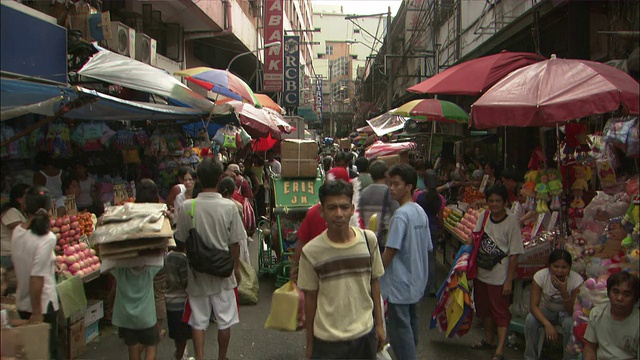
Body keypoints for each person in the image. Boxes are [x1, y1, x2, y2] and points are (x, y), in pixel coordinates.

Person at [297, 180, 385, 359]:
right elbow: (310, 300)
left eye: (344, 207)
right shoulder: (311, 252)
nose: (339, 214)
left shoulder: (369, 242)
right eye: (332, 208)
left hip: (364, 336)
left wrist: (380, 325)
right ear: (322, 211)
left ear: (352, 209)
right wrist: (310, 344)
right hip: (328, 341)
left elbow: (374, 285)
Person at [174, 158, 243, 360]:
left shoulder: (188, 207)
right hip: (223, 272)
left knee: (198, 321)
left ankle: (201, 357)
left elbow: (180, 240)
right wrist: (236, 269)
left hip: (197, 273)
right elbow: (236, 243)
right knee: (225, 320)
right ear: (220, 178)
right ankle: (222, 357)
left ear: (198, 179)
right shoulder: (230, 207)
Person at [380, 164, 432, 360]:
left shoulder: (400, 215)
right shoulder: (419, 211)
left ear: (409, 186)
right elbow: (427, 246)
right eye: (390, 184)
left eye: (396, 184)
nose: (391, 188)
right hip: (416, 279)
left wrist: (375, 272)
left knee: (400, 329)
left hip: (399, 282)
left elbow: (391, 250)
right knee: (411, 322)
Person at [471, 184, 524, 360]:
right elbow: (474, 239)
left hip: (499, 275)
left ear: (505, 202)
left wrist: (509, 280)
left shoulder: (511, 222)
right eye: (491, 201)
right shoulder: (484, 217)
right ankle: (489, 338)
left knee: (500, 311)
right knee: (483, 309)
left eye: (498, 201)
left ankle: (500, 350)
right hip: (481, 273)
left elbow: (515, 254)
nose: (494, 204)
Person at [11, 186, 61, 359]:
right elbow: (36, 278)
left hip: (22, 302)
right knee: (46, 352)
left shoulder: (17, 232)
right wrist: (37, 312)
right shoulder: (47, 238)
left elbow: (26, 259)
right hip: (42, 306)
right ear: (48, 208)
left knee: (29, 353)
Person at [525, 249, 583, 360]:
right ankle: (530, 357)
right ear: (549, 266)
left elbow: (573, 312)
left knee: (569, 324)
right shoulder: (540, 276)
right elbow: (533, 306)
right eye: (556, 267)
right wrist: (547, 324)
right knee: (530, 320)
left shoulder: (576, 281)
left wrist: (564, 292)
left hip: (566, 313)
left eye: (564, 267)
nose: (559, 271)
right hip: (547, 310)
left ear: (570, 268)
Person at [135, 179, 167, 341]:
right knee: (159, 293)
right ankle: (158, 327)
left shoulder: (132, 212)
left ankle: (143, 326)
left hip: (139, 259)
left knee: (142, 292)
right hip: (158, 258)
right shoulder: (160, 210)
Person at [582, 271, 639, 360]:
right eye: (615, 292)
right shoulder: (596, 314)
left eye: (626, 294)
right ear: (608, 293)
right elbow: (590, 347)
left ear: (635, 298)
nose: (619, 298)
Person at [415, 171, 443, 297]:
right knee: (431, 258)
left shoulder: (418, 196)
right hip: (433, 229)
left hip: (419, 229)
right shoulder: (440, 198)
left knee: (420, 257)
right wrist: (440, 229)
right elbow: (441, 217)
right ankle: (432, 286)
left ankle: (420, 285)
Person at [359, 160, 399, 248]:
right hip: (385, 241)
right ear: (386, 173)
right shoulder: (391, 193)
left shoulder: (363, 193)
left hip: (367, 239)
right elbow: (396, 216)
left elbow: (360, 217)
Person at [164, 240, 191, 360]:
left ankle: (178, 354)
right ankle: (179, 356)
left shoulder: (168, 257)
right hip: (181, 302)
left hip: (169, 300)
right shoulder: (182, 259)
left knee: (176, 333)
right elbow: (185, 282)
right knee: (183, 335)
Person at [1, 183, 29, 271]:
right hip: (7, 255)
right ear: (19, 199)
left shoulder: (23, 213)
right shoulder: (11, 212)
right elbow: (22, 229)